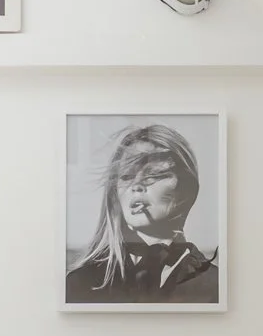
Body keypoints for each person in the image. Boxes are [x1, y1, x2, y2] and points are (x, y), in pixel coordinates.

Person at [65, 123, 220, 304]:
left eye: (152, 175)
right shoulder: (82, 283)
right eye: (126, 177)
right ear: (114, 194)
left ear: (186, 191)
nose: (136, 186)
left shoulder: (216, 287)